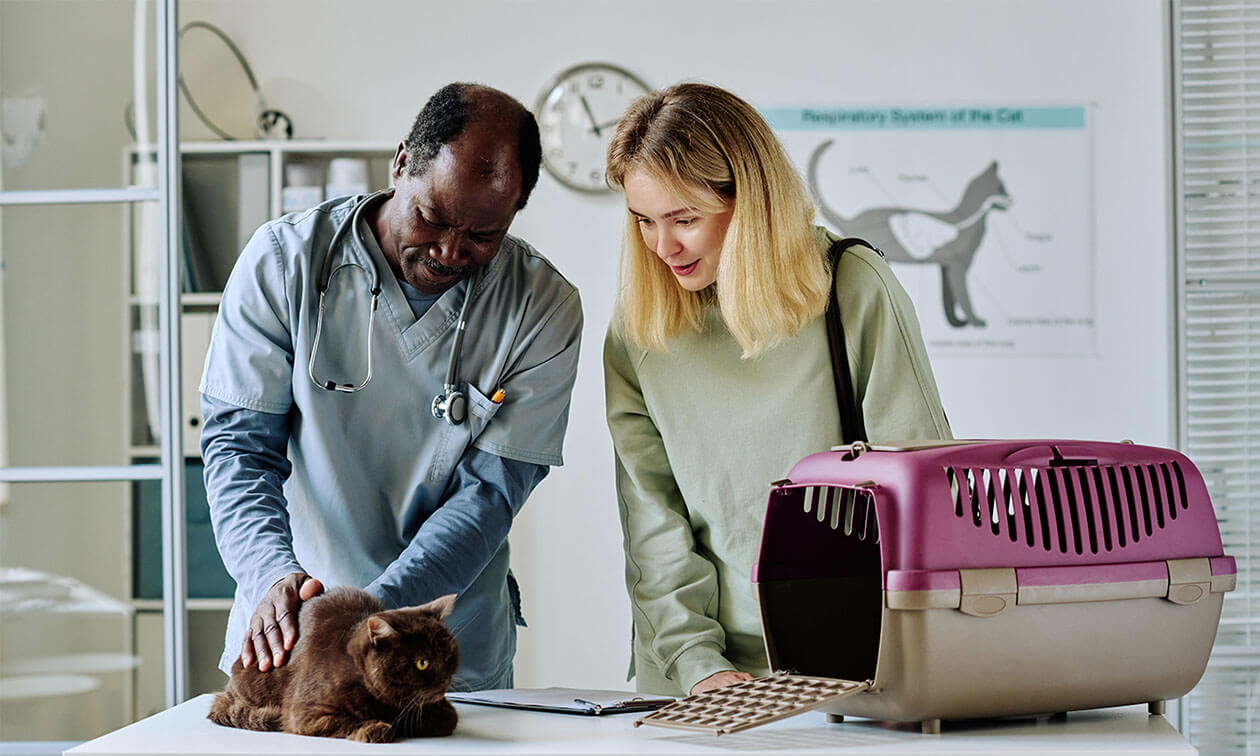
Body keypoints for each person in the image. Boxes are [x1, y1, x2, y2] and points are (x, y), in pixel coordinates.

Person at [201, 83, 582, 691]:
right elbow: (240, 452)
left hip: (446, 652)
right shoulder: (283, 264)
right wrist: (273, 575)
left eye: (483, 235)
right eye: (431, 217)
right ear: (401, 162)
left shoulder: (541, 308)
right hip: (294, 636)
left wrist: (370, 615)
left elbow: (489, 495)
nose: (450, 251)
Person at [603, 83, 951, 697]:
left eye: (685, 219)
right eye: (644, 221)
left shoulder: (851, 286)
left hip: (852, 665)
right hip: (693, 674)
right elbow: (652, 520)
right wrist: (697, 663)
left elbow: (924, 494)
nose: (663, 247)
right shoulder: (640, 326)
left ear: (750, 200)